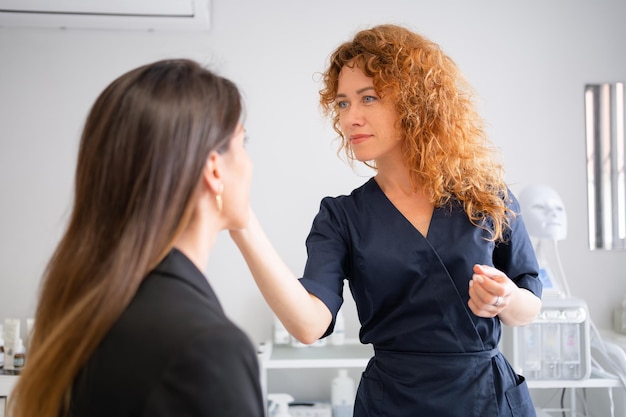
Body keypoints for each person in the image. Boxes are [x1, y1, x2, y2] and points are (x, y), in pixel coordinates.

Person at [230, 24, 542, 417]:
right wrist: (242, 225)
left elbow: (531, 306)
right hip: (394, 402)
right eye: (342, 104)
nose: (350, 118)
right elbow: (309, 325)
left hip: (486, 400)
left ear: (416, 102)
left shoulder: (486, 198)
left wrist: (506, 298)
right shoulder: (342, 217)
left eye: (368, 98)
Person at [9, 59, 263, 417]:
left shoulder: (80, 307)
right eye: (243, 142)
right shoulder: (206, 347)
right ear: (214, 168)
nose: (250, 162)